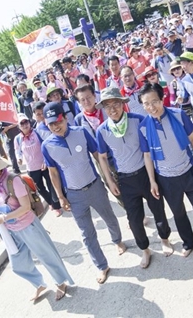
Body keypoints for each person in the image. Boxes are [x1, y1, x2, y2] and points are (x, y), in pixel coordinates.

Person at [0, 148, 74, 301]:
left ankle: (60, 282)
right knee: (18, 263)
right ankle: (38, 284)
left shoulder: (13, 180)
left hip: (27, 225)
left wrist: (3, 218)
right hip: (11, 230)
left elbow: (24, 207)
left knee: (46, 255)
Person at [41, 102, 125, 284]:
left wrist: (108, 180)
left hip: (94, 186)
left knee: (109, 217)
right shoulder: (47, 146)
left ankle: (117, 240)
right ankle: (102, 266)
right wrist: (61, 197)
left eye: (58, 121)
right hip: (74, 195)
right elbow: (53, 173)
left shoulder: (81, 132)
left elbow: (97, 156)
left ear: (64, 118)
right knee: (87, 234)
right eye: (51, 124)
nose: (55, 126)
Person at [95, 87, 174, 268]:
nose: (112, 109)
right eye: (107, 106)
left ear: (123, 104)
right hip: (125, 179)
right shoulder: (102, 130)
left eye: (116, 104)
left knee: (158, 209)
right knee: (134, 220)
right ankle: (145, 250)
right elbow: (102, 157)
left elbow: (150, 148)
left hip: (145, 174)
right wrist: (110, 181)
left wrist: (154, 177)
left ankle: (165, 239)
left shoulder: (138, 120)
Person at [138, 83, 193, 257]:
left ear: (162, 99)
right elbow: (147, 156)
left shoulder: (178, 114)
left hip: (189, 171)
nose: (151, 107)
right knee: (178, 214)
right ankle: (188, 242)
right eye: (146, 103)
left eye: (154, 101)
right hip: (166, 179)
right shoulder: (143, 127)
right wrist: (152, 181)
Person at [14, 113, 62, 217]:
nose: (24, 125)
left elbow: (46, 146)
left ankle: (57, 206)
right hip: (31, 168)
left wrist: (46, 160)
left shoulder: (37, 133)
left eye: (25, 122)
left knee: (51, 185)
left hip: (44, 164)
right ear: (18, 126)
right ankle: (51, 203)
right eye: (21, 123)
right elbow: (18, 151)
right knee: (39, 188)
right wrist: (19, 159)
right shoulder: (17, 139)